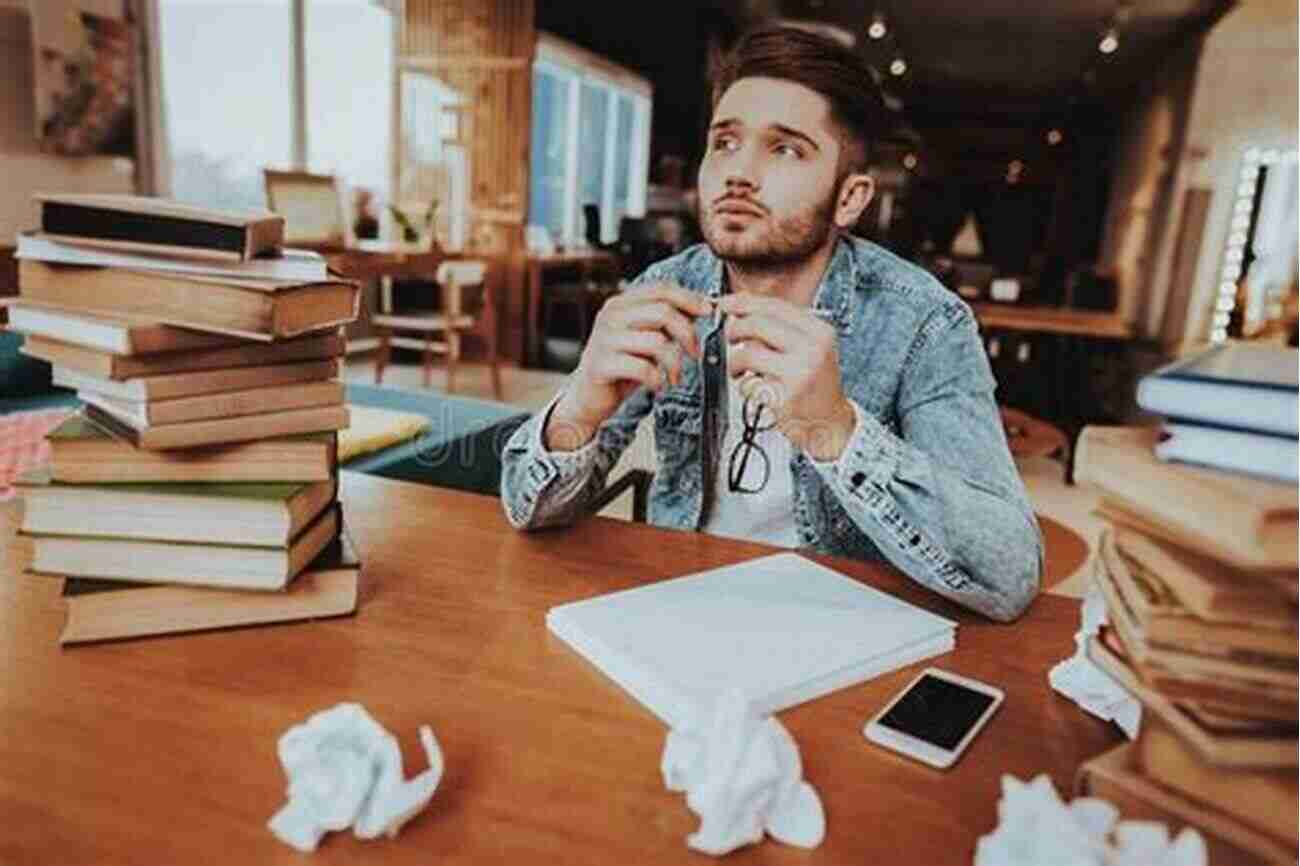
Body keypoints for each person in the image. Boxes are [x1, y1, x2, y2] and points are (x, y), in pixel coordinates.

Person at [501, 26, 1041, 622]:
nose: (739, 173)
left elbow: (1009, 573)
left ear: (850, 198)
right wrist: (578, 410)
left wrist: (837, 432)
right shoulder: (664, 290)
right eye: (725, 143)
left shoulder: (924, 322)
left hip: (841, 630)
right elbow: (529, 511)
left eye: (785, 149)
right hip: (679, 611)